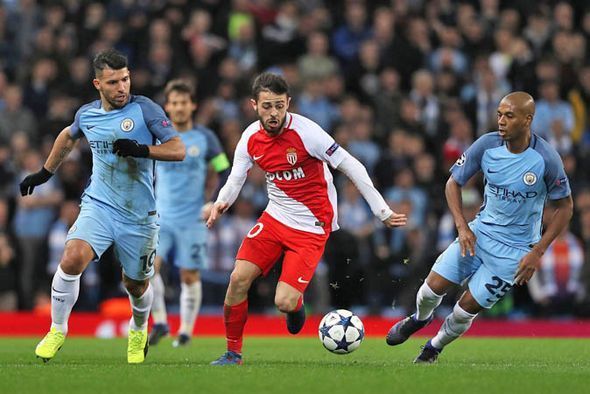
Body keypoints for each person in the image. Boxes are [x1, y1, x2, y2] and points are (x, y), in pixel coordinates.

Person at [206, 72, 408, 366]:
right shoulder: (250, 137)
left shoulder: (307, 133)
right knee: (237, 279)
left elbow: (351, 165)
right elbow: (236, 177)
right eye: (266, 106)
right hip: (275, 217)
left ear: (289, 103)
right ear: (254, 105)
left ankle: (296, 304)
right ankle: (233, 353)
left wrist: (382, 211)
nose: (273, 113)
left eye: (279, 105)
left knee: (283, 302)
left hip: (312, 226)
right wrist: (221, 202)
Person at [19, 49, 185, 364]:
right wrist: (45, 173)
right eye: (113, 82)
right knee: (71, 258)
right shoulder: (87, 115)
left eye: (125, 79)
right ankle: (57, 329)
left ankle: (138, 330)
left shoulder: (145, 109)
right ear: (98, 84)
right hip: (99, 204)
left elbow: (178, 150)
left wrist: (142, 149)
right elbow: (68, 137)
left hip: (138, 215)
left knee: (135, 283)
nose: (122, 87)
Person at [385, 91, 573, 363]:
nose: (501, 121)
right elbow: (453, 183)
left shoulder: (546, 158)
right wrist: (462, 227)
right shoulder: (486, 146)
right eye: (499, 114)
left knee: (464, 310)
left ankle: (433, 347)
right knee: (430, 289)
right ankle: (419, 318)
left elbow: (565, 207)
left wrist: (539, 251)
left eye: (509, 115)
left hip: (515, 251)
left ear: (528, 119)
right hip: (479, 234)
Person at [148, 79, 230, 347]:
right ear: (167, 107)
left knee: (188, 275)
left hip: (193, 218)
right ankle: (160, 322)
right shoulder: (158, 135)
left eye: (184, 102)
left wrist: (215, 201)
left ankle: (185, 331)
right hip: (160, 216)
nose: (180, 107)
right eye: (175, 103)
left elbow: (225, 170)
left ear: (192, 105)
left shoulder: (205, 138)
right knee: (149, 270)